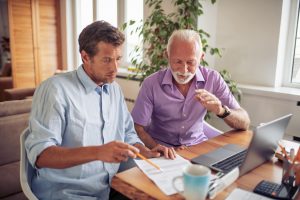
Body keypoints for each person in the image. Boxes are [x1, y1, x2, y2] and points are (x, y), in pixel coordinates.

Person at [25, 21, 163, 200]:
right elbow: (41, 155)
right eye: (106, 60)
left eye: (118, 59)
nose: (115, 68)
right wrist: (98, 152)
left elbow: (128, 133)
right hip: (67, 193)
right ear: (85, 57)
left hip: (110, 185)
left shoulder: (114, 90)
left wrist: (143, 150)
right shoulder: (55, 90)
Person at [131, 29, 250, 158]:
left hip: (198, 147)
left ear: (201, 58)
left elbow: (245, 122)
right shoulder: (151, 84)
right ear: (167, 55)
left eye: (190, 62)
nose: (184, 70)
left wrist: (221, 111)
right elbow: (137, 128)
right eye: (178, 61)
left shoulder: (213, 78)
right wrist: (156, 147)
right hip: (163, 151)